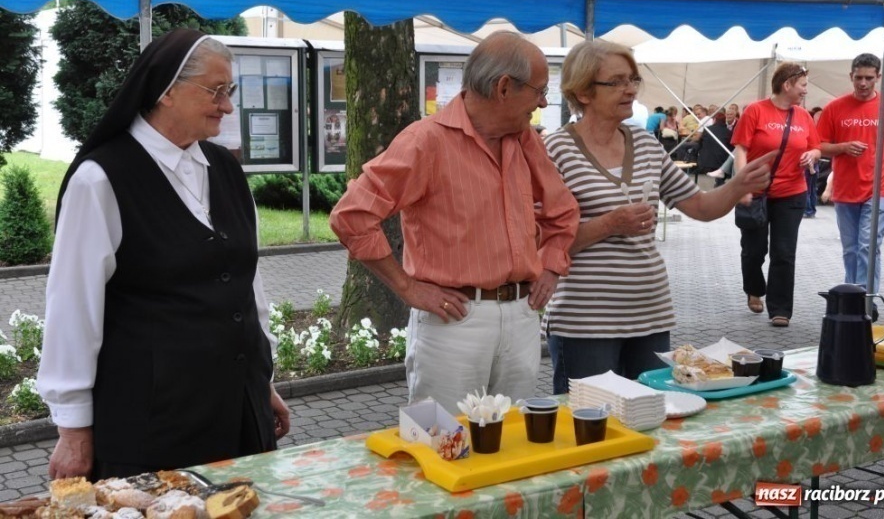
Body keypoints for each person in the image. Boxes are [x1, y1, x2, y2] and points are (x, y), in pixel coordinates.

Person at [36, 29, 290, 480]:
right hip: (155, 421)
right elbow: (73, 308)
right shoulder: (101, 179)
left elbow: (249, 284)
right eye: (215, 91)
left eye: (229, 91)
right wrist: (74, 429)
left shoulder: (226, 168)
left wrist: (261, 379)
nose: (228, 105)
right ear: (167, 91)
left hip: (238, 410)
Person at [330, 32, 580, 413]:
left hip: (520, 316)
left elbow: (562, 211)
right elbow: (351, 216)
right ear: (503, 88)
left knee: (511, 443)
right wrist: (407, 288)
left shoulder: (524, 139)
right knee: (442, 443)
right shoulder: (425, 141)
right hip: (455, 321)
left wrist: (551, 266)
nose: (543, 102)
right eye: (539, 91)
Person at [542, 41, 774, 392]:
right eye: (617, 81)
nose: (630, 89)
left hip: (650, 313)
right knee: (588, 421)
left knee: (653, 418)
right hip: (584, 321)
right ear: (583, 92)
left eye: (633, 79)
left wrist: (737, 184)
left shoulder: (646, 143)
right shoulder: (555, 149)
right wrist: (610, 224)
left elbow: (700, 206)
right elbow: (542, 241)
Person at [732, 62, 821, 328]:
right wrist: (743, 184)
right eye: (803, 85)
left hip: (792, 193)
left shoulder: (803, 117)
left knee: (784, 252)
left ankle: (780, 308)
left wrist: (812, 156)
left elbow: (816, 147)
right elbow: (741, 150)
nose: (805, 91)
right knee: (754, 251)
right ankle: (753, 287)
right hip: (757, 191)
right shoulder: (755, 111)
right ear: (787, 85)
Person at [817, 53, 884, 296]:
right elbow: (818, 145)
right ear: (851, 77)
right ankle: (852, 298)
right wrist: (842, 148)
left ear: (878, 77)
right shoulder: (835, 108)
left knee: (868, 246)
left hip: (880, 189)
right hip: (846, 188)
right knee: (851, 248)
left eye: (869, 78)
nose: (863, 84)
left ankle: (867, 301)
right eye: (858, 78)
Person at [803, 106, 823, 217]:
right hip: (813, 166)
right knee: (811, 189)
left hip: (810, 166)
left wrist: (810, 168)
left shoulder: (808, 133)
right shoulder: (814, 131)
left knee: (808, 189)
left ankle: (808, 210)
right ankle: (811, 209)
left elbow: (810, 151)